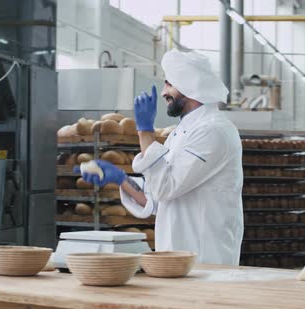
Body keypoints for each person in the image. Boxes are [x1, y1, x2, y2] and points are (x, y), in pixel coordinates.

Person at [77, 49, 244, 265]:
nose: (164, 92)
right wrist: (120, 179)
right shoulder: (181, 132)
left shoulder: (213, 131)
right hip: (175, 257)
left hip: (206, 258)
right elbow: (157, 198)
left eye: (169, 84)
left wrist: (145, 131)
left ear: (188, 86)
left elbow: (166, 187)